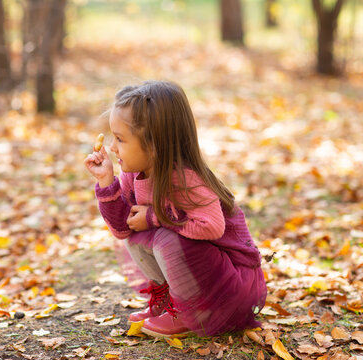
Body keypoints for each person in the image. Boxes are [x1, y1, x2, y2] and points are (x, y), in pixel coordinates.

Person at [83, 80, 267, 338]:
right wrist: (106, 182)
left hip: (231, 284)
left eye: (121, 139)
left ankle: (191, 312)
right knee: (138, 235)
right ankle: (170, 302)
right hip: (205, 275)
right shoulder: (135, 174)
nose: (112, 147)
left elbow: (212, 227)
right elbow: (123, 228)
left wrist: (155, 216)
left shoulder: (186, 179)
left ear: (154, 144)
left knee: (166, 238)